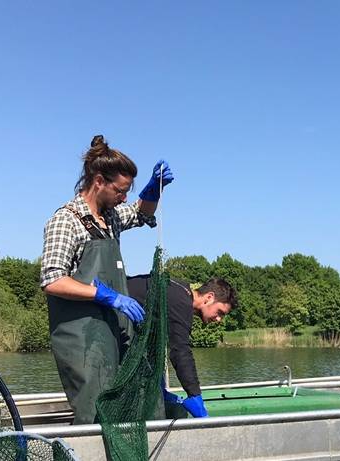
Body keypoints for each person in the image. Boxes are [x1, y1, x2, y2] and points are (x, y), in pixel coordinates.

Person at [40, 135, 173, 424]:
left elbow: (139, 213)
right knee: (95, 409)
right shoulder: (67, 220)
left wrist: (153, 191)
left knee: (128, 397)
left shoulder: (109, 217)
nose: (123, 197)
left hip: (112, 330)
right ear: (99, 180)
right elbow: (52, 280)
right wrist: (105, 295)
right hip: (82, 340)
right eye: (120, 190)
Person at [125, 275, 237, 418]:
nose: (219, 319)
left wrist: (159, 388)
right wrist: (194, 395)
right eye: (220, 312)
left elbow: (154, 344)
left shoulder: (180, 289)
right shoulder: (181, 302)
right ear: (209, 297)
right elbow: (180, 351)